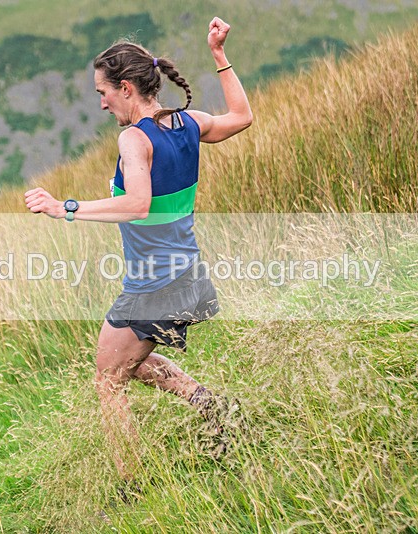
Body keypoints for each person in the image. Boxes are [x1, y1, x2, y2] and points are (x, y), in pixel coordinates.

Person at [24, 16, 252, 503]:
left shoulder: (134, 138)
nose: (101, 101)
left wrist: (64, 207)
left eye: (103, 91)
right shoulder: (188, 123)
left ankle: (132, 488)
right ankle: (214, 408)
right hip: (186, 274)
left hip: (155, 282)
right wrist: (219, 56)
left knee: (108, 378)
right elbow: (241, 117)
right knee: (127, 362)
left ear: (126, 88)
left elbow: (138, 204)